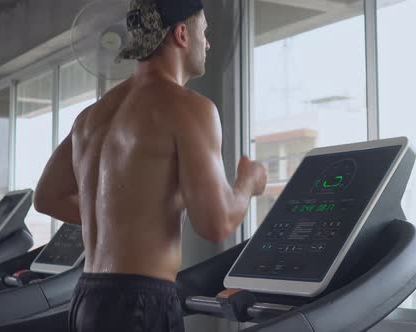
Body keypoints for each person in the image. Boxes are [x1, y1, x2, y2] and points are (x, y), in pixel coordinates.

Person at [33, 0, 267, 331]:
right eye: (205, 32)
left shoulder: (91, 116)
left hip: (86, 298)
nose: (209, 43)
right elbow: (217, 223)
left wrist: (120, 213)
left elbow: (47, 197)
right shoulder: (190, 109)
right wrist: (247, 182)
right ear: (182, 34)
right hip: (141, 303)